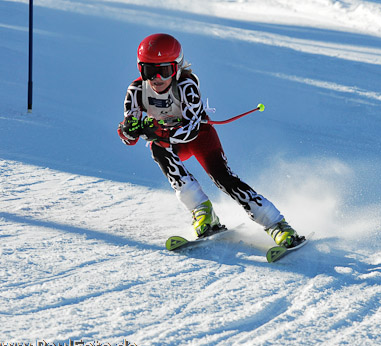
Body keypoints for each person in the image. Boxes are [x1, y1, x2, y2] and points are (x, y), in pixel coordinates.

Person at [117, 33, 304, 247]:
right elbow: (129, 136)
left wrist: (159, 132)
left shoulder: (186, 86)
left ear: (176, 68)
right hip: (170, 142)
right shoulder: (136, 91)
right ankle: (202, 211)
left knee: (223, 178)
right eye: (149, 71)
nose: (157, 78)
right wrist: (128, 131)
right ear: (140, 69)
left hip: (200, 137)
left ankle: (277, 224)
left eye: (164, 71)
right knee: (157, 150)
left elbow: (192, 129)